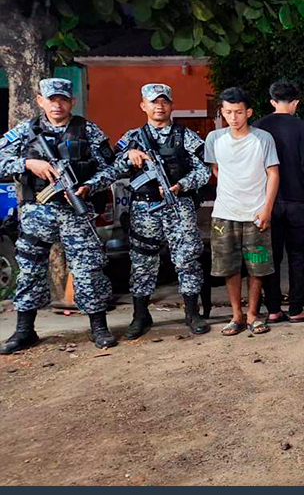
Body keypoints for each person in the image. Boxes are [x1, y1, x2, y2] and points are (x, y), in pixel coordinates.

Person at [0, 78, 118, 353]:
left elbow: (111, 168)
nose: (57, 104)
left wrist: (90, 186)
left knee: (88, 270)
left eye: (63, 99)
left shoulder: (88, 130)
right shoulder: (25, 131)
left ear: (72, 102)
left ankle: (98, 328)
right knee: (29, 270)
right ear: (40, 101)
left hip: (76, 211)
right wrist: (28, 163)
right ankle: (24, 331)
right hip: (36, 213)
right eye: (51, 99)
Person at [113, 83, 212, 339]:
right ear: (143, 106)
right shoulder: (132, 137)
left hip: (179, 205)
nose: (159, 106)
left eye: (164, 101)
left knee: (187, 259)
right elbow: (111, 167)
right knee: (142, 262)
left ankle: (192, 312)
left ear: (171, 105)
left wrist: (182, 185)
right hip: (144, 209)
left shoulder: (185, 136)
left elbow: (204, 169)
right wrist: (129, 156)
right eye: (153, 102)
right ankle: (140, 315)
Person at [205, 87, 280, 336]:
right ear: (222, 113)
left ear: (248, 112)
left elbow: (273, 173)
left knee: (257, 267)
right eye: (228, 112)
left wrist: (267, 208)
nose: (233, 117)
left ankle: (253, 315)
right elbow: (215, 170)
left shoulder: (263, 138)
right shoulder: (214, 139)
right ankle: (236, 315)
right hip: (225, 213)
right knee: (229, 267)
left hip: (256, 213)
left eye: (238, 112)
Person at [254, 80, 304, 324]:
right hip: (298, 200)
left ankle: (272, 308)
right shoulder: (303, 128)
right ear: (296, 102)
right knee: (298, 255)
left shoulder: (258, 127)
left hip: (268, 201)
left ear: (272, 102)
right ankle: (296, 308)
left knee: (272, 257)